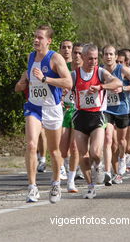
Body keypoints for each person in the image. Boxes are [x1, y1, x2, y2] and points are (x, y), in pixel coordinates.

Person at [15, 25, 72, 203]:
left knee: (54, 151)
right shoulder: (30, 57)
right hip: (34, 107)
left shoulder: (55, 58)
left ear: (49, 41)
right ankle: (32, 187)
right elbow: (28, 77)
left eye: (40, 37)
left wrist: (46, 79)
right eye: (35, 37)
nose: (36, 40)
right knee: (31, 145)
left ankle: (55, 183)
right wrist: (22, 83)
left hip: (52, 108)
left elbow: (68, 82)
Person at [72, 44, 122, 198]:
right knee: (83, 154)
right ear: (83, 57)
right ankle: (90, 186)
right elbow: (64, 86)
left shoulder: (100, 72)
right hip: (80, 116)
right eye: (90, 58)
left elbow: (118, 83)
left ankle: (99, 165)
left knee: (95, 152)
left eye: (95, 58)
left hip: (97, 116)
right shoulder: (74, 75)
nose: (93, 61)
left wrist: (101, 87)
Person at [102, 46, 130, 185]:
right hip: (106, 109)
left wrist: (124, 88)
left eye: (111, 54)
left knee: (120, 142)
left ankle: (122, 159)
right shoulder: (100, 70)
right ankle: (110, 172)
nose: (108, 57)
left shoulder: (122, 70)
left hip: (122, 109)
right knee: (109, 140)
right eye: (106, 54)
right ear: (103, 56)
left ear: (115, 56)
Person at [59, 42, 84, 192]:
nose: (76, 56)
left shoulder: (87, 72)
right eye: (75, 52)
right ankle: (65, 167)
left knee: (75, 147)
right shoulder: (65, 69)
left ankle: (71, 180)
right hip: (65, 109)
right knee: (62, 147)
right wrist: (59, 97)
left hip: (80, 111)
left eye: (80, 53)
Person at [58, 40, 73, 180]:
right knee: (62, 138)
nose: (66, 50)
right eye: (64, 47)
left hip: (75, 106)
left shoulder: (77, 66)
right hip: (61, 105)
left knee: (74, 142)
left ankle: (71, 166)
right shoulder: (56, 64)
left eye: (69, 47)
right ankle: (62, 166)